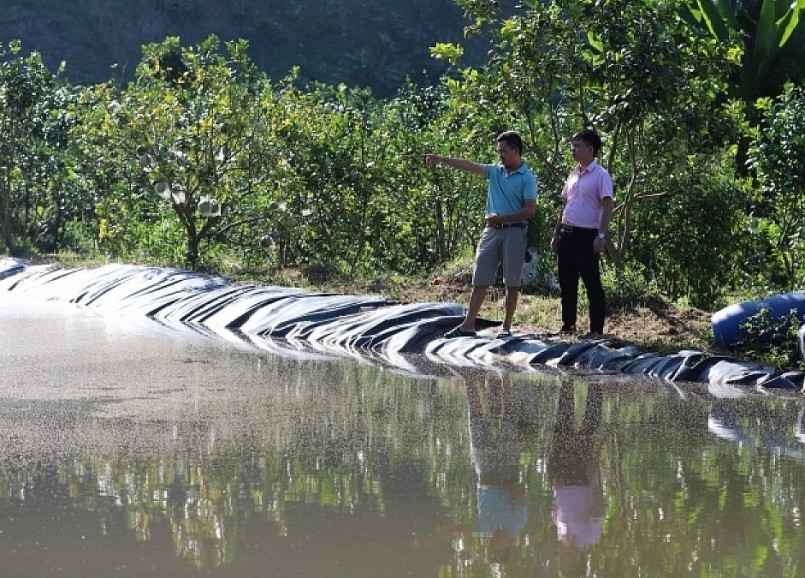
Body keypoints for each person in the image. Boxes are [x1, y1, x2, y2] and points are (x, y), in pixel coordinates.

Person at [424, 131, 538, 339]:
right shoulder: (495, 172)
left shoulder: (527, 178)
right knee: (481, 278)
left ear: (516, 151)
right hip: (491, 232)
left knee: (511, 282)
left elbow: (530, 211)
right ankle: (468, 324)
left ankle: (506, 326)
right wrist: (441, 159)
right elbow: (468, 165)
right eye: (498, 152)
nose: (500, 156)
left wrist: (502, 218)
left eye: (503, 152)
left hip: (514, 233)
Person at [550, 128, 613, 337]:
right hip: (567, 234)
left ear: (590, 149)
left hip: (587, 236)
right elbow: (565, 204)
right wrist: (556, 233)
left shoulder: (600, 175)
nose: (573, 149)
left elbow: (607, 206)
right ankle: (568, 325)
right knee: (567, 282)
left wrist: (601, 236)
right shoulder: (573, 174)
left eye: (577, 146)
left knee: (591, 283)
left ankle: (596, 330)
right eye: (573, 145)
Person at [548, 380, 605, 577]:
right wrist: (594, 474)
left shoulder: (562, 535)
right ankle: (596, 384)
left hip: (561, 476)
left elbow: (556, 507)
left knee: (563, 426)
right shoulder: (589, 537)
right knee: (588, 428)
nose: (564, 559)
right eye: (568, 563)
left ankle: (567, 382)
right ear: (579, 561)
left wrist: (553, 483)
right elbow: (597, 506)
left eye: (562, 562)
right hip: (582, 477)